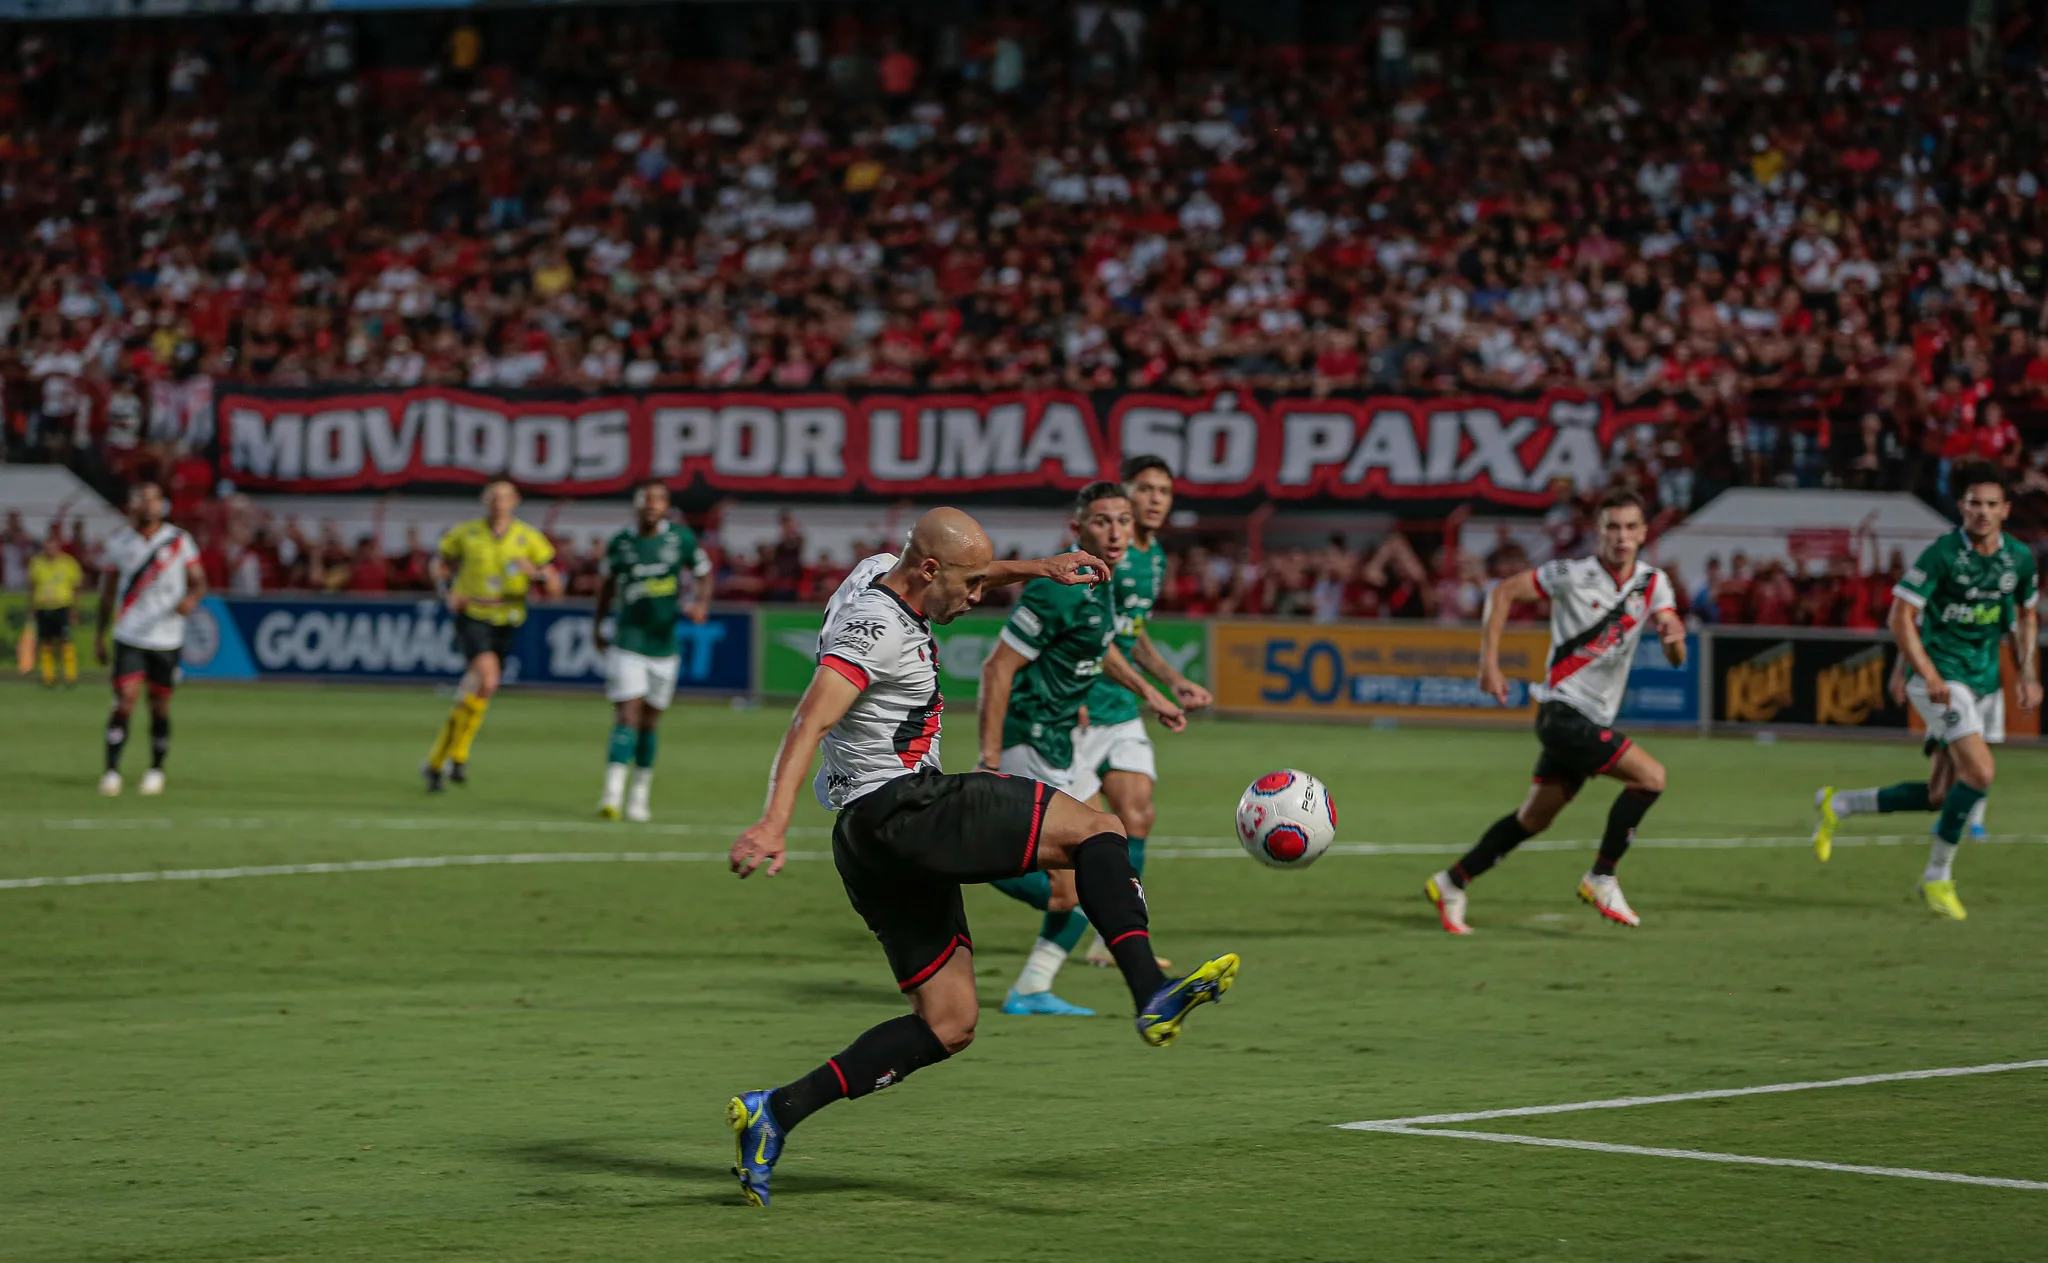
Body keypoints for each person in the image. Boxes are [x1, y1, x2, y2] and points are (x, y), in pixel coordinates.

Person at [723, 508, 1239, 1208]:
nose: (976, 598)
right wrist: (772, 822)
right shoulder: (875, 631)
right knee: (1097, 829)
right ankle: (1149, 989)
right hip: (907, 807)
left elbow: (961, 566)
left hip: (864, 841)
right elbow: (809, 717)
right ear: (930, 571)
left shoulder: (881, 567)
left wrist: (1038, 567)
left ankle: (774, 1113)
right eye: (969, 587)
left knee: (949, 1021)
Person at [1002, 457, 1215, 1010]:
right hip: (1072, 714)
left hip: (1118, 707)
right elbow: (1089, 642)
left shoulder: (1153, 559)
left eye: (1163, 491)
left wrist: (1165, 683)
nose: (1154, 501)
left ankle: (1106, 935)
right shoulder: (1091, 564)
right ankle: (1090, 929)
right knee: (1086, 850)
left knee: (1133, 816)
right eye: (1143, 490)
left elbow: (1129, 636)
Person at [1425, 488, 1686, 932]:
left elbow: (1677, 657)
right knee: (1651, 777)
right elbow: (1504, 592)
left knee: (1533, 819)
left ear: (1643, 533)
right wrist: (1488, 663)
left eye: (1629, 528)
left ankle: (1452, 881)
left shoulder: (1653, 583)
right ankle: (1602, 876)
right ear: (1598, 532)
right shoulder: (1570, 573)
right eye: (1612, 528)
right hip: (1563, 714)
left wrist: (1671, 637)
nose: (1620, 537)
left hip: (1592, 719)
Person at [1809, 462, 2039, 919]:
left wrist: (2028, 672)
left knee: (1941, 793)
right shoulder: (1941, 555)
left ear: (2006, 510)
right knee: (1982, 773)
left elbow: (2026, 614)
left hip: (1982, 681)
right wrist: (1925, 675)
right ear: (1961, 506)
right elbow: (1901, 617)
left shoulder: (2020, 559)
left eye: (1992, 504)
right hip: (1942, 680)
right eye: (1974, 503)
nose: (1983, 512)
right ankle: (1937, 875)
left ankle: (1842, 803)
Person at [421, 479, 563, 791]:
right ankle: (457, 755)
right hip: (473, 613)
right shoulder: (467, 533)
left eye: (504, 497)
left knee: (474, 690)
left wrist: (537, 574)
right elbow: (438, 561)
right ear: (485, 500)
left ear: (515, 501)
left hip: (508, 616)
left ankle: (437, 762)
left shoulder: (528, 538)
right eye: (493, 497)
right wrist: (446, 590)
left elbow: (554, 584)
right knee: (488, 680)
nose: (499, 503)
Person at [591, 480, 710, 822]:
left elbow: (704, 572)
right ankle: (612, 794)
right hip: (628, 640)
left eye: (657, 500)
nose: (650, 506)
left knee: (650, 722)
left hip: (665, 644)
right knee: (627, 714)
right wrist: (597, 626)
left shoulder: (680, 539)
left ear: (666, 506)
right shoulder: (621, 543)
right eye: (645, 500)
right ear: (636, 505)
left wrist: (701, 603)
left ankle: (639, 796)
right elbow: (606, 588)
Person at [95, 483, 206, 796]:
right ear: (133, 506)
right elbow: (107, 594)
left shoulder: (179, 541)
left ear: (161, 505)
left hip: (167, 638)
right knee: (125, 700)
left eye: (154, 499)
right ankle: (111, 771)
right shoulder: (119, 543)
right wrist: (100, 636)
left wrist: (191, 600)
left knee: (159, 705)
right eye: (143, 499)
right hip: (129, 633)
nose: (148, 505)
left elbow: (199, 583)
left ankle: (156, 769)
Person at [28, 526, 83, 687]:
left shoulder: (68, 563)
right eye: (47, 546)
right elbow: (32, 587)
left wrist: (74, 608)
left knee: (65, 641)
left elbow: (76, 587)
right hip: (42, 607)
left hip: (62, 606)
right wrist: (30, 606)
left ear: (58, 547)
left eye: (52, 546)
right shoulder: (36, 563)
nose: (49, 549)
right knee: (45, 642)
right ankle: (48, 676)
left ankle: (70, 675)